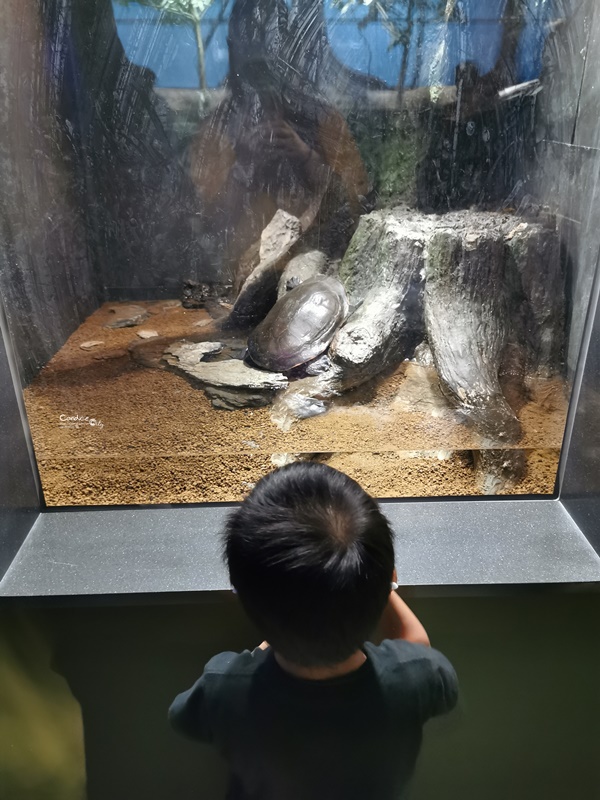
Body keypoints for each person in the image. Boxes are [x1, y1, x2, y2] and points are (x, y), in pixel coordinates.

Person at [169, 462, 458, 800]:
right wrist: (384, 586)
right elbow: (418, 648)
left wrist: (274, 634)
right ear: (387, 578)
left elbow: (181, 716)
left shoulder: (225, 685)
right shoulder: (417, 677)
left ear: (241, 592)